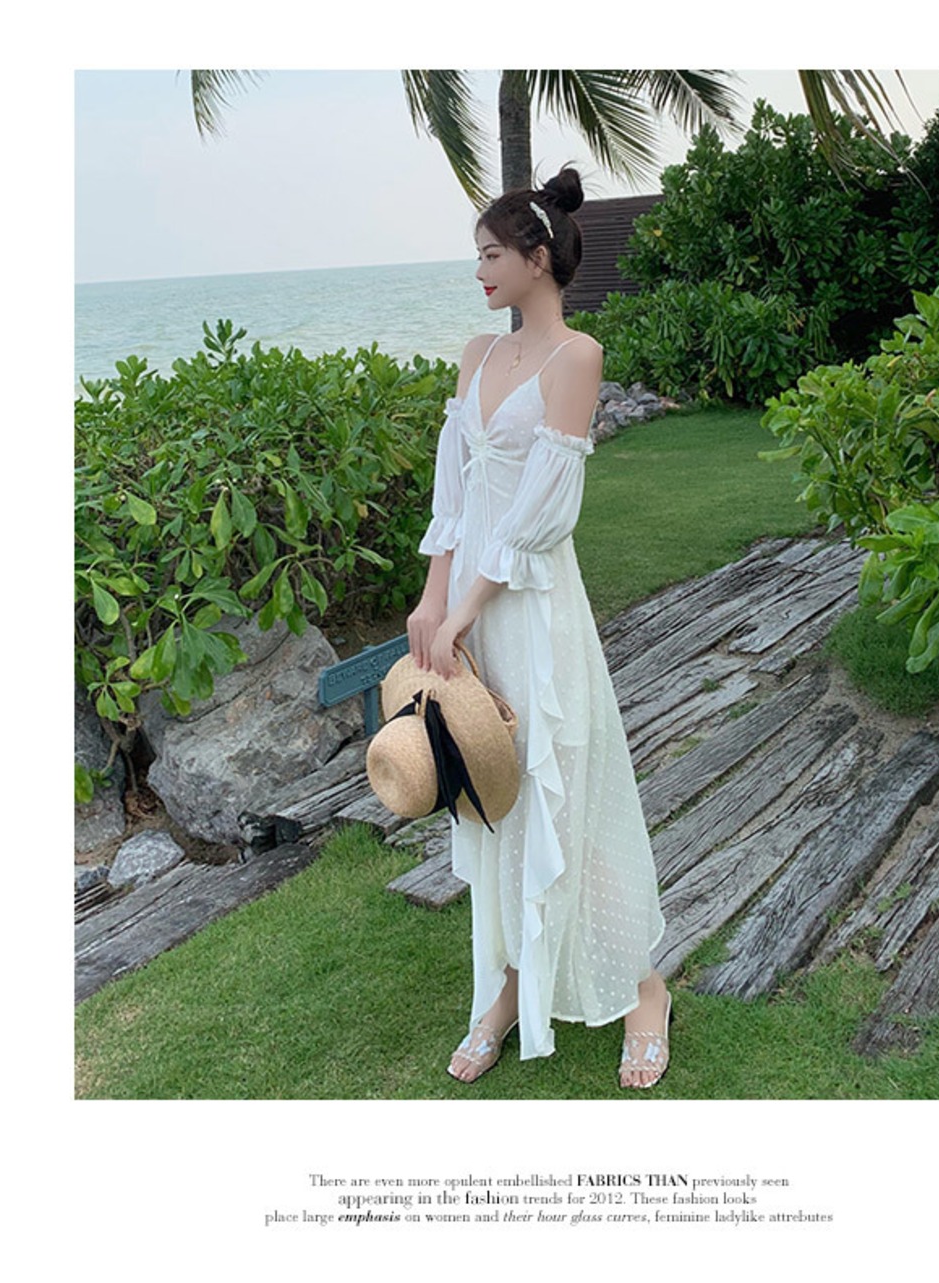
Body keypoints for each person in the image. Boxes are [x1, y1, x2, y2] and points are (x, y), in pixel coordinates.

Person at [406, 165, 673, 1090]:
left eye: (491, 254)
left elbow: (542, 513)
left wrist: (467, 606)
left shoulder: (577, 357)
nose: (479, 270)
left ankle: (643, 988)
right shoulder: (477, 354)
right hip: (468, 609)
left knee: (563, 792)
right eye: (477, 255)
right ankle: (511, 984)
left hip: (532, 608)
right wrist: (433, 600)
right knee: (492, 793)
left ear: (537, 258)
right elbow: (457, 496)